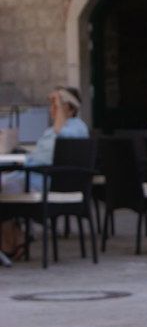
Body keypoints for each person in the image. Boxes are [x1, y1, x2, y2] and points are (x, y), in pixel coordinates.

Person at [0, 87, 89, 255]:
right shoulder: (51, 130)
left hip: (49, 180)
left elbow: (60, 137)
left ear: (69, 108)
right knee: (4, 187)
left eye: (56, 106)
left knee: (3, 187)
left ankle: (11, 242)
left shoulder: (76, 128)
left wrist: (60, 101)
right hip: (32, 174)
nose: (52, 110)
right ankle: (14, 239)